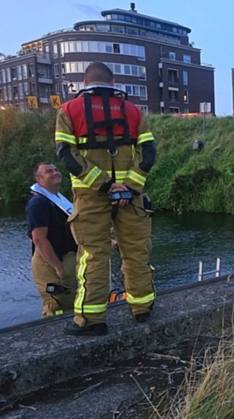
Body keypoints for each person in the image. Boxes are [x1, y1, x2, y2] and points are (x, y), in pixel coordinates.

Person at [55, 62, 156, 336]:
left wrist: (104, 185)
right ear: (113, 83)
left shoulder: (68, 111)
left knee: (93, 255)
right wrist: (128, 187)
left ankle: (91, 320)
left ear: (84, 83)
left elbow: (66, 155)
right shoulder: (134, 111)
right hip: (131, 197)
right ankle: (142, 309)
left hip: (90, 196)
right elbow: (148, 154)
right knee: (136, 252)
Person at [26, 163, 78, 318]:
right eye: (49, 171)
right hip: (51, 262)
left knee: (71, 301)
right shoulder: (38, 203)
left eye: (56, 169)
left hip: (67, 258)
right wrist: (58, 267)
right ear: (39, 179)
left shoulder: (57, 200)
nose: (55, 173)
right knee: (57, 304)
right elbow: (39, 239)